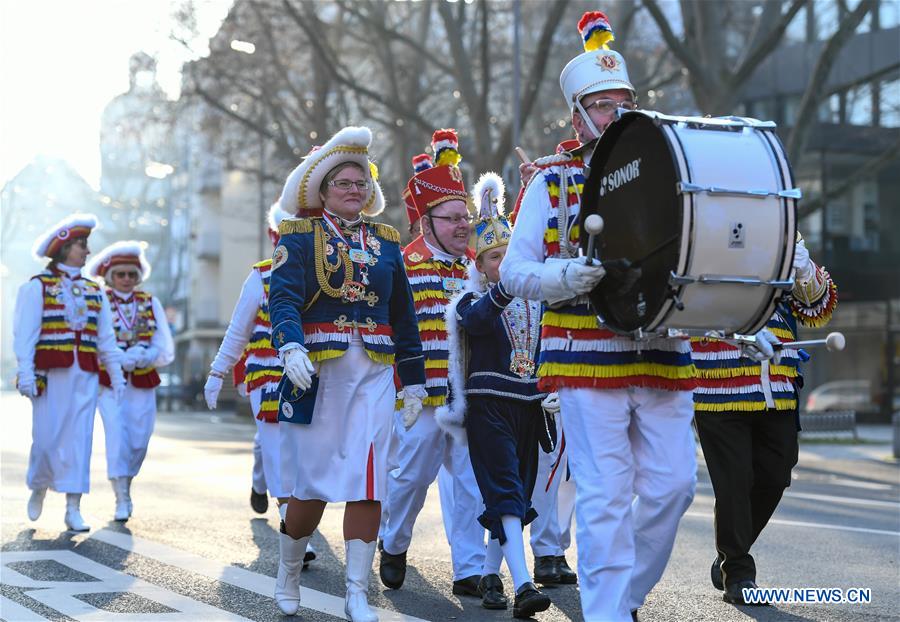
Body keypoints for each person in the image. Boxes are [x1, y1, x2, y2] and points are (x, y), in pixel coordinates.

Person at [499, 12, 777, 621]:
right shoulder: (552, 182)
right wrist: (563, 276)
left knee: (673, 491)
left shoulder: (674, 175)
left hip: (663, 355)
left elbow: (701, 262)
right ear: (576, 114)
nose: (614, 114)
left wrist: (738, 320)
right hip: (583, 359)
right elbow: (512, 272)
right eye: (600, 106)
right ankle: (607, 615)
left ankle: (620, 601)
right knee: (602, 495)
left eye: (623, 102)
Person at [267, 126, 426, 621]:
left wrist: (415, 378)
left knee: (370, 481)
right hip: (317, 372)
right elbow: (285, 300)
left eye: (362, 183)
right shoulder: (298, 236)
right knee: (311, 484)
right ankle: (289, 570)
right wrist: (290, 345)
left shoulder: (386, 240)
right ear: (322, 189)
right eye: (344, 183)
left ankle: (358, 591)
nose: (355, 190)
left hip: (375, 372)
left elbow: (403, 313)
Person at [694, 236, 838, 605]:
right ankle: (739, 571)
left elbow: (814, 306)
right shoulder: (700, 224)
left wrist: (802, 264)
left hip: (777, 380)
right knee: (734, 482)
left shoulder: (780, 227)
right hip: (718, 381)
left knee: (776, 473)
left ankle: (729, 556)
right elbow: (685, 304)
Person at [439, 172, 555, 618]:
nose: (503, 263)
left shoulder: (539, 301)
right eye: (494, 257)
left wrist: (552, 384)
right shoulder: (470, 300)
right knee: (506, 488)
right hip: (487, 405)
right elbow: (478, 323)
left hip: (529, 406)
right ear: (482, 265)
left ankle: (491, 574)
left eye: (509, 255)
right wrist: (507, 286)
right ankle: (524, 584)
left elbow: (548, 348)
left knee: (516, 495)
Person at [379, 129, 486, 597]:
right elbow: (387, 331)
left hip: (471, 395)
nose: (465, 224)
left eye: (467, 215)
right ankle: (394, 542)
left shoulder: (479, 265)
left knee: (470, 482)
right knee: (412, 477)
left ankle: (470, 569)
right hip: (420, 396)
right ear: (426, 222)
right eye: (454, 217)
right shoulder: (401, 263)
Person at [14, 214, 125, 532]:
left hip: (85, 374)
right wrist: (25, 372)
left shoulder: (94, 290)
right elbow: (25, 334)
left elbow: (106, 338)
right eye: (81, 246)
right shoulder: (38, 286)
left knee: (81, 440)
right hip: (51, 373)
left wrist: (116, 374)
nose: (86, 252)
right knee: (46, 440)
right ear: (63, 249)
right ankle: (39, 485)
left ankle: (73, 506)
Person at [88, 241, 174, 521]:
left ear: (139, 276)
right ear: (109, 276)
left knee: (139, 440)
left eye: (131, 274)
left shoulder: (150, 302)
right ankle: (121, 496)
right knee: (117, 436)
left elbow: (165, 344)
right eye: (120, 274)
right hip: (109, 382)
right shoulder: (99, 300)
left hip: (141, 380)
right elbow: (90, 341)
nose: (126, 279)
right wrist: (114, 357)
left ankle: (127, 480)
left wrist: (148, 355)